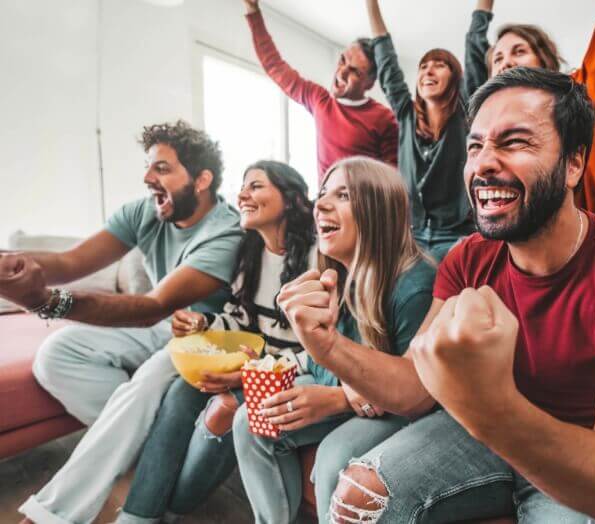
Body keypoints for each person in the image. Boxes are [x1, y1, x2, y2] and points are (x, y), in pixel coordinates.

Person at [283, 68, 595, 522]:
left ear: (574, 164)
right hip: (479, 436)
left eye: (514, 142)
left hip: (582, 448)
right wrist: (326, 344)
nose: (483, 163)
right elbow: (414, 389)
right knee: (358, 495)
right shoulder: (468, 259)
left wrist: (490, 405)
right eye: (475, 146)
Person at [11, 121, 242, 524]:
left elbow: (154, 305)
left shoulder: (227, 231)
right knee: (56, 354)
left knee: (143, 387)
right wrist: (12, 266)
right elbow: (71, 262)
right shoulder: (146, 211)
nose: (147, 177)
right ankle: (155, 447)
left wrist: (46, 301)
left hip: (209, 336)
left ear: (201, 179)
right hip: (162, 327)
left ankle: (53, 514)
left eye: (163, 168)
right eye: (149, 166)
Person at [233, 156, 436, 523]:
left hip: (399, 415)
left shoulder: (414, 286)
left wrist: (339, 398)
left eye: (343, 195)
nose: (321, 204)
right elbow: (323, 360)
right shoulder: (335, 276)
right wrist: (300, 370)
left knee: (334, 456)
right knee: (249, 419)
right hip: (354, 400)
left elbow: (419, 395)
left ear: (379, 208)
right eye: (323, 193)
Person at [114, 161, 316, 524]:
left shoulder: (318, 258)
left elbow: (321, 350)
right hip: (250, 361)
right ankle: (138, 515)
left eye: (256, 186)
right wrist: (203, 323)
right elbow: (241, 319)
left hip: (287, 374)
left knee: (226, 407)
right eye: (243, 187)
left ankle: (174, 508)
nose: (242, 195)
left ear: (289, 199)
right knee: (179, 391)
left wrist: (247, 376)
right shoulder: (250, 252)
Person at [464, 0, 595, 234]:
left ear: (545, 60)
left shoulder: (584, 94)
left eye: (520, 51)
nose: (506, 62)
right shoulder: (490, 128)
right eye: (498, 58)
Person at [365, 0, 476, 261]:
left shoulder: (465, 115)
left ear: (455, 78)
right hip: (409, 235)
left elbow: (474, 46)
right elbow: (386, 61)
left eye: (439, 64)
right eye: (423, 66)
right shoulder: (406, 114)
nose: (428, 70)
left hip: (456, 236)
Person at [243, 0, 398, 182]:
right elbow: (274, 66)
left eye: (354, 71)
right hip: (325, 205)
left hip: (364, 208)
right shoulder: (320, 100)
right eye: (342, 60)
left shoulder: (383, 118)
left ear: (369, 83)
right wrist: (253, 10)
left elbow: (392, 179)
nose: (342, 72)